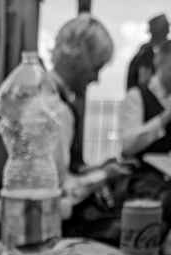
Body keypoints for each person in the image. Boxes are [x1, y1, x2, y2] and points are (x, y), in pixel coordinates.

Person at [48, 14, 132, 242]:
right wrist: (103, 176)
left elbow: (60, 169)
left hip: (51, 215)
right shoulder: (57, 109)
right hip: (55, 223)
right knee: (128, 227)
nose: (96, 79)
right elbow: (56, 188)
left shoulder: (47, 93)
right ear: (78, 59)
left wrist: (97, 168)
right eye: (96, 68)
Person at [126, 13, 170, 91]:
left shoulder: (146, 51)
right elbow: (144, 83)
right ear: (160, 32)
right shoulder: (147, 53)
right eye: (166, 31)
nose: (168, 34)